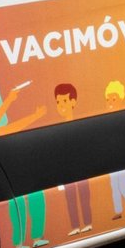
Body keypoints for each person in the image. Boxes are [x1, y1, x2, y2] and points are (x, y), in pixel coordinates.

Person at [54, 84, 93, 236]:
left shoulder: (80, 125)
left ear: (73, 102)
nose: (61, 105)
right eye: (58, 102)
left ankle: (88, 223)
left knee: (84, 196)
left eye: (64, 101)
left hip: (82, 168)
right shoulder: (58, 129)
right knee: (70, 199)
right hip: (67, 170)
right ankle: (75, 226)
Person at [101, 80, 125, 218]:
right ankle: (118, 211)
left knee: (123, 184)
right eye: (108, 99)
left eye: (114, 99)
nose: (110, 102)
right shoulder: (106, 118)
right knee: (114, 186)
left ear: (121, 99)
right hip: (112, 157)